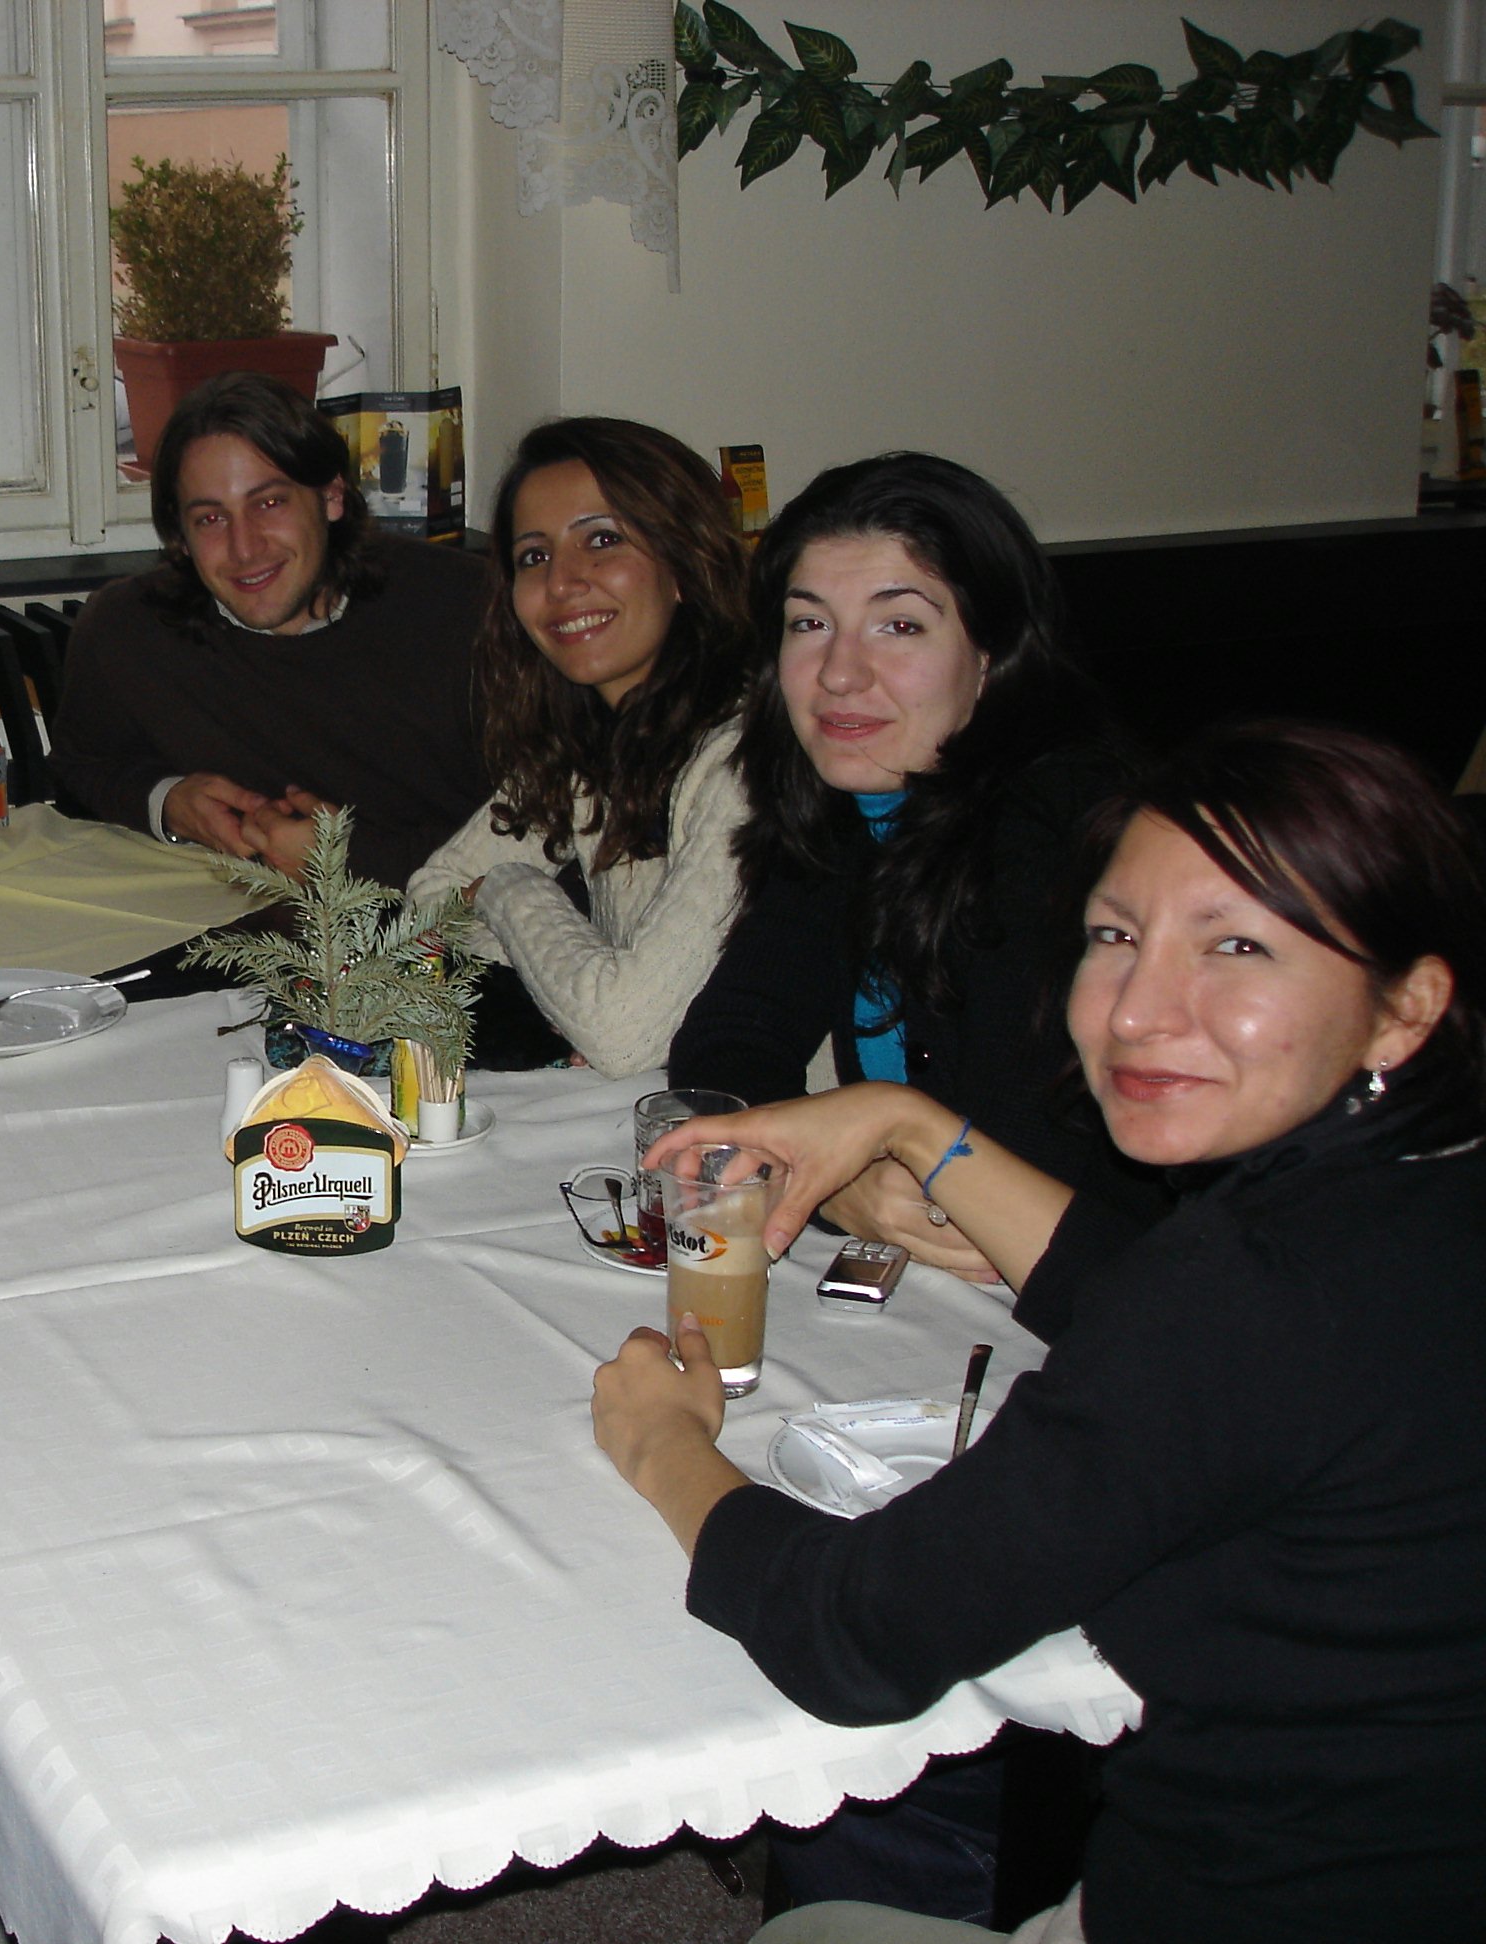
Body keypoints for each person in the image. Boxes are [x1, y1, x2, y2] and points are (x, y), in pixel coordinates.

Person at [597, 720, 1486, 1944]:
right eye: (1115, 937)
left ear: (1406, 1007)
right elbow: (1147, 1301)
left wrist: (664, 1446)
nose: (1138, 1010)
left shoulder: (1246, 1293)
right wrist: (906, 1123)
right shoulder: (1405, 1205)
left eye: (1236, 946)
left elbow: (858, 1634)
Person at [670, 452, 1148, 1283]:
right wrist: (825, 1174)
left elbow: (1026, 1165)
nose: (839, 673)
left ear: (992, 651)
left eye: (900, 626)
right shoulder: (856, 807)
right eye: (809, 624)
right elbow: (731, 1036)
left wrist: (835, 1168)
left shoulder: (1067, 836)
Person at [50, 370, 491, 889]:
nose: (245, 548)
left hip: (463, 928)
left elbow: (550, 839)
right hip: (236, 925)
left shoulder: (467, 609)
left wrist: (348, 859)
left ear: (331, 496)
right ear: (180, 538)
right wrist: (168, 802)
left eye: (269, 503)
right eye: (210, 519)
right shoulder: (129, 630)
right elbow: (80, 769)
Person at [404, 417, 750, 1074]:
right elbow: (431, 899)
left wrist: (506, 889)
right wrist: (577, 992)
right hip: (663, 1107)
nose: (562, 582)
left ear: (684, 564)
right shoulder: (587, 742)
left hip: (809, 1120)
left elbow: (622, 1036)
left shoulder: (743, 760)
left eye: (603, 540)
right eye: (534, 557)